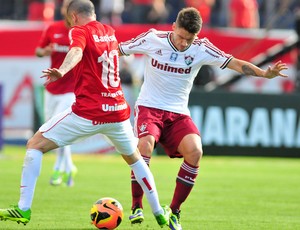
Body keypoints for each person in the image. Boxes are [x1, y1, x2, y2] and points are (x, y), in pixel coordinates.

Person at [0, 0, 170, 227]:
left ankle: (23, 209)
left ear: (73, 17)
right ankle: (159, 212)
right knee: (136, 161)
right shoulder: (109, 31)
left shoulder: (79, 30)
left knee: (34, 145)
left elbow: (77, 51)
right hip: (117, 113)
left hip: (88, 112)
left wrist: (61, 70)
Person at [118, 7, 288, 230]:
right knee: (145, 145)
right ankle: (137, 206)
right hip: (150, 107)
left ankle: (175, 211)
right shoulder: (153, 38)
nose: (182, 43)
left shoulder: (201, 49)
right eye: (179, 36)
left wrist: (265, 74)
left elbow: (235, 63)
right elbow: (117, 49)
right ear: (173, 27)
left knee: (195, 151)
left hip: (178, 113)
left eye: (188, 39)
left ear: (195, 36)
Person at [35, 0, 77, 187]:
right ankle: (69, 167)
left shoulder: (80, 32)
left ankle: (58, 168)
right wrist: (45, 51)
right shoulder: (53, 28)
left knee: (61, 130)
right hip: (52, 88)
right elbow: (37, 50)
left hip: (71, 89)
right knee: (51, 130)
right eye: (64, 7)